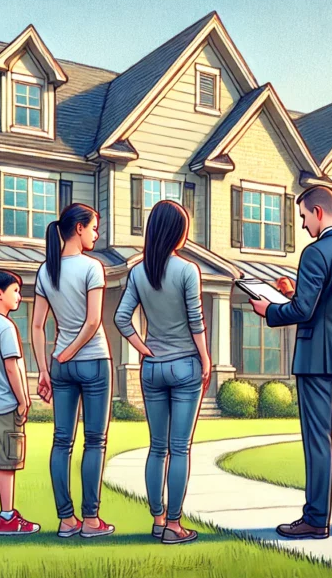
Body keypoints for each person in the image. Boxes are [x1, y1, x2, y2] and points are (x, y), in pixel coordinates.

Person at [249, 186, 332, 540]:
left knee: (318, 439)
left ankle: (316, 519)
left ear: (319, 212)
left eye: (304, 216)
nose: (303, 225)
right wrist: (295, 294)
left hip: (316, 359)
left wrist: (270, 309)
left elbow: (304, 310)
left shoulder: (316, 253)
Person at [114, 200, 211, 545]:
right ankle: (174, 524)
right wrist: (206, 358)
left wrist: (143, 349)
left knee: (158, 448)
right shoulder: (188, 271)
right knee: (180, 448)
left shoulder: (138, 272)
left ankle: (157, 520)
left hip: (152, 369)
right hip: (185, 364)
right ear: (176, 232)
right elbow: (196, 321)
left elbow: (121, 318)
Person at [32, 203, 115, 539]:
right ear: (78, 228)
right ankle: (91, 521)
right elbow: (94, 321)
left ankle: (66, 521)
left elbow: (37, 326)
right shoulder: (91, 267)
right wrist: (69, 352)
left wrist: (44, 369)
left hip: (60, 367)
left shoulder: (45, 271)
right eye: (94, 227)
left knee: (61, 441)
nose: (96, 234)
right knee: (94, 440)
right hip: (93, 361)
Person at [0, 269, 41, 536]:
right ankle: (8, 517)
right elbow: (12, 367)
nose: (18, 296)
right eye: (14, 290)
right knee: (8, 463)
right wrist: (23, 400)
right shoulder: (5, 327)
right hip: (6, 405)